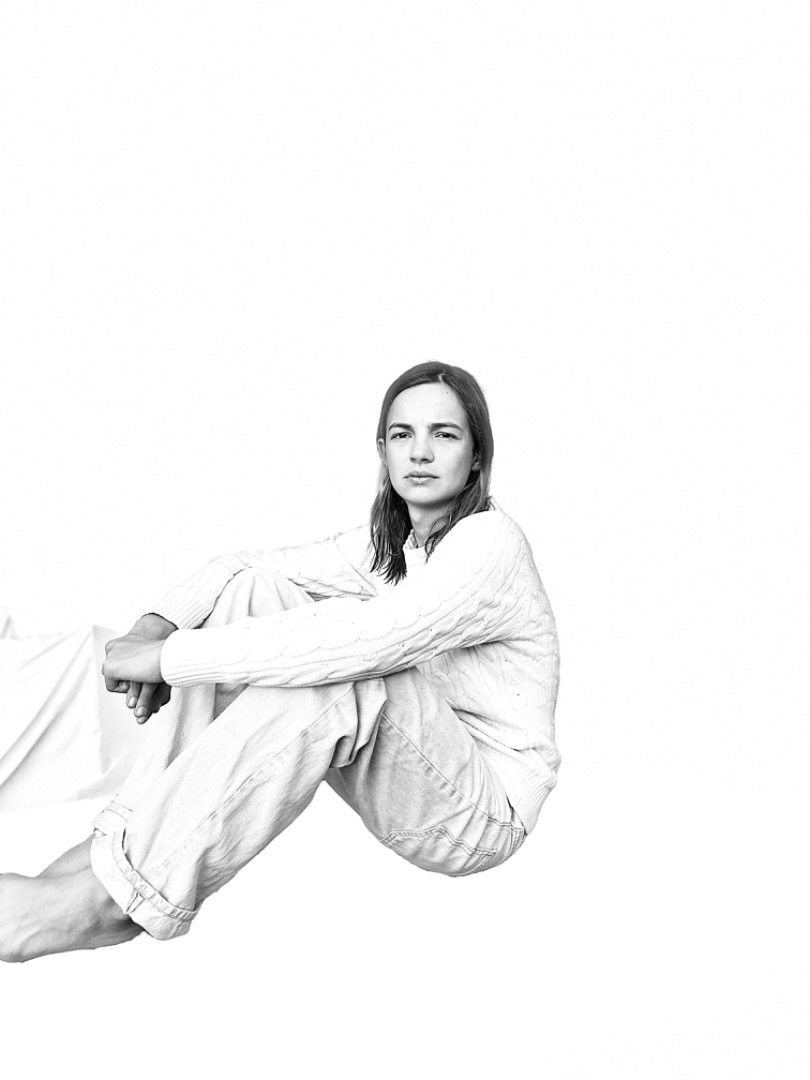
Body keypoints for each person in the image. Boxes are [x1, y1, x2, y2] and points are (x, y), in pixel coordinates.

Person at [0, 361, 560, 962]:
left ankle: (118, 897)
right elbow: (242, 568)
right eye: (403, 434)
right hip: (419, 765)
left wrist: (168, 660)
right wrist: (154, 627)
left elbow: (366, 643)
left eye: (444, 435)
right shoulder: (393, 546)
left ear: (476, 457)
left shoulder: (488, 543)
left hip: (479, 811)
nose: (420, 452)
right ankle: (123, 842)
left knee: (343, 672)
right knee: (255, 594)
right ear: (383, 451)